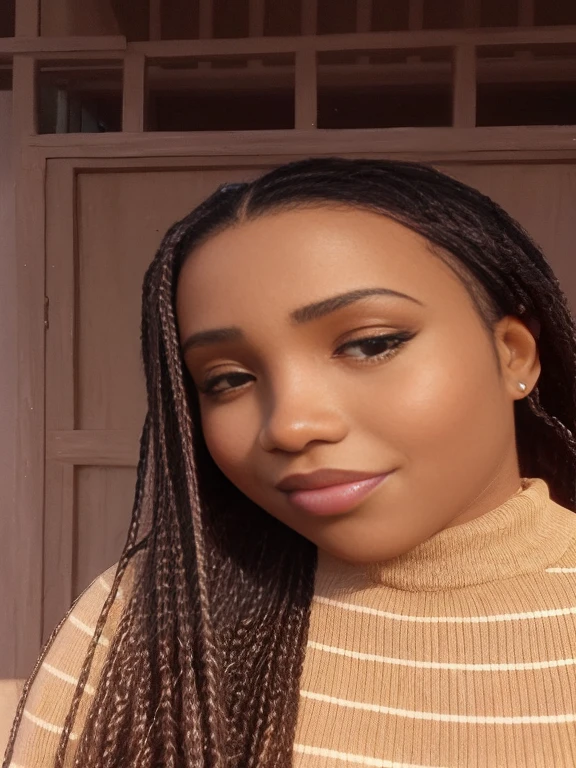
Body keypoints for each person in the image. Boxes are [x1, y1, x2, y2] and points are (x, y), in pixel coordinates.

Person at [4, 157, 576, 768]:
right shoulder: (147, 615)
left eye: (370, 344)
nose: (290, 425)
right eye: (227, 379)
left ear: (514, 355)